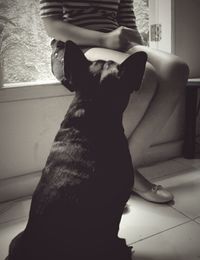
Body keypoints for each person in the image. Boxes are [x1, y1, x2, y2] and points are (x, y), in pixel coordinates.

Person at [39, 0, 189, 203]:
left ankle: (121, 173)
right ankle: (113, 176)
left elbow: (127, 23)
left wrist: (132, 43)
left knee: (176, 69)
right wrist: (104, 39)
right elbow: (52, 25)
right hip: (74, 48)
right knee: (141, 75)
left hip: (117, 45)